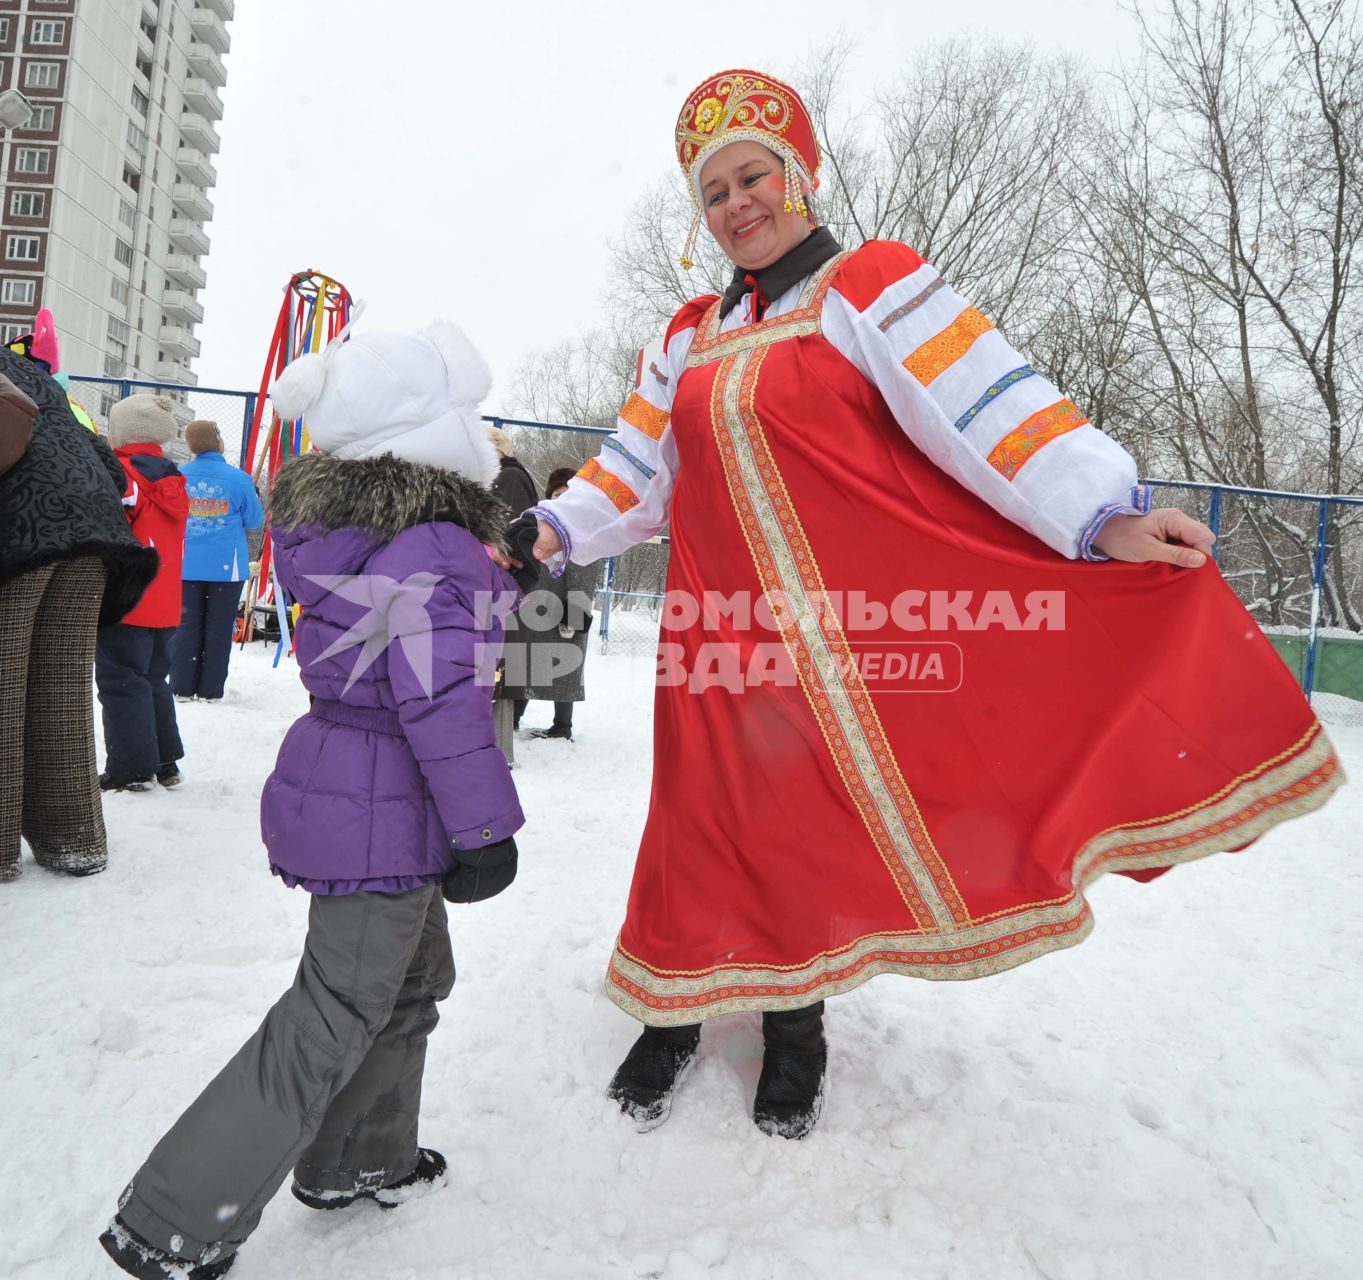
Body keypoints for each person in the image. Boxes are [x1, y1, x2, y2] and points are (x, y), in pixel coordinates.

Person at [513, 68, 1343, 1141]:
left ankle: (795, 1027)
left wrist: (1103, 515)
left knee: (798, 826)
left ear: (799, 177)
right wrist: (547, 527)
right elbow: (632, 472)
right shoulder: (682, 338)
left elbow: (985, 404)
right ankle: (674, 1013)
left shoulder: (869, 285)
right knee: (698, 819)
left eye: (753, 174)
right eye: (712, 191)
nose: (735, 204)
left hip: (848, 640)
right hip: (719, 632)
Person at [99, 317, 526, 1280]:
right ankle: (174, 1214)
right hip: (392, 797)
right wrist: (486, 827)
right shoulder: (432, 541)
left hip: (357, 782)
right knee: (332, 1012)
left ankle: (358, 1158)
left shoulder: (352, 523)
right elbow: (440, 699)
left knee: (410, 988)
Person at [0, 344, 155, 881]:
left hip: (18, 535)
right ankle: (73, 839)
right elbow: (110, 463)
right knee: (61, 687)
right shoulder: (36, 375)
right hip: (94, 532)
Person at [94, 394, 189, 791]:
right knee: (152, 679)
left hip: (129, 596)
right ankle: (164, 761)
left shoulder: (121, 474)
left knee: (121, 680)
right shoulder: (174, 478)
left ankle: (132, 768)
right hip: (165, 599)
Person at [170, 419, 264, 702]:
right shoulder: (238, 479)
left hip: (187, 564)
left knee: (186, 626)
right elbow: (254, 520)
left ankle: (182, 686)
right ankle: (211, 689)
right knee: (219, 628)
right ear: (219, 441)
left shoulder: (178, 476)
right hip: (227, 567)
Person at [509, 466, 597, 740]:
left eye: (566, 494)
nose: (561, 500)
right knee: (523, 665)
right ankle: (513, 717)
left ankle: (563, 725)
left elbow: (583, 574)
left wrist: (574, 614)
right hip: (534, 606)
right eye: (556, 494)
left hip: (562, 610)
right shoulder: (540, 521)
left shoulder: (584, 528)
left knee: (564, 669)